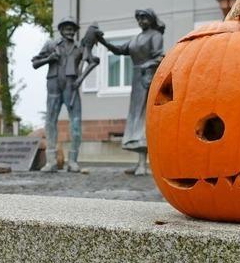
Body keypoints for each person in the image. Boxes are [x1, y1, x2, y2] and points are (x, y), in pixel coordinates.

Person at [97, 9, 165, 176]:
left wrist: (146, 65)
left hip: (147, 78)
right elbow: (119, 50)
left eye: (144, 17)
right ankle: (139, 163)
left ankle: (144, 164)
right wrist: (102, 41)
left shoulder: (155, 36)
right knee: (135, 116)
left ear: (151, 19)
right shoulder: (136, 38)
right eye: (139, 18)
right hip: (136, 79)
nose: (141, 21)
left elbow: (159, 57)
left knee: (143, 117)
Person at [32, 17, 98, 172]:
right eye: (67, 28)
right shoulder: (51, 45)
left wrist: (80, 79)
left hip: (71, 87)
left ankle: (73, 161)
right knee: (50, 122)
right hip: (54, 86)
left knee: (75, 125)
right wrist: (49, 58)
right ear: (60, 30)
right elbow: (35, 63)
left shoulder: (80, 48)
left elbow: (93, 61)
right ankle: (51, 161)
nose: (70, 31)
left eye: (72, 29)